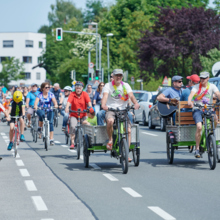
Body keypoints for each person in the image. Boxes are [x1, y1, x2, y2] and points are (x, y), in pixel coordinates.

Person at [101, 69, 140, 162]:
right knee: (110, 121)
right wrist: (103, 105)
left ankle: (126, 153)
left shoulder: (126, 85)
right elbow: (105, 96)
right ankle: (110, 140)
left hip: (123, 110)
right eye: (117, 75)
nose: (119, 77)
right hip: (111, 109)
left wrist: (135, 103)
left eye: (120, 75)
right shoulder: (108, 86)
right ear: (113, 76)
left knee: (129, 131)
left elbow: (131, 95)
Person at [188, 71, 220, 158]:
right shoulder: (196, 87)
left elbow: (217, 93)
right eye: (201, 78)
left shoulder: (212, 86)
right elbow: (191, 95)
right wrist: (190, 101)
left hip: (208, 108)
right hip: (197, 109)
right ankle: (197, 149)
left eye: (204, 78)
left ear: (208, 78)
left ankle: (211, 134)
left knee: (216, 118)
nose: (202, 80)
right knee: (199, 127)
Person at [65, 81, 93, 149]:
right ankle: (72, 143)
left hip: (83, 114)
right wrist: (67, 107)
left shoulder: (85, 94)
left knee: (87, 125)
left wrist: (90, 108)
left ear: (82, 88)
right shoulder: (72, 94)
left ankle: (89, 140)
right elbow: (69, 101)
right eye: (77, 88)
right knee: (73, 126)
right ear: (75, 88)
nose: (78, 89)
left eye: (80, 88)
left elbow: (89, 102)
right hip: (74, 114)